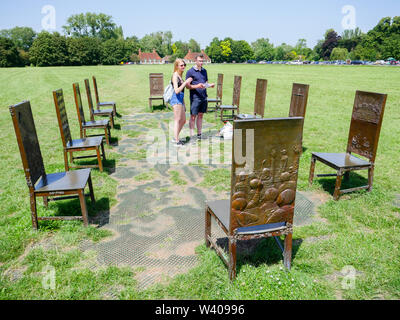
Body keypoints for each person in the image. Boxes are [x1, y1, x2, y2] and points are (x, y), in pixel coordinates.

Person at [186, 54, 215, 140]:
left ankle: (199, 134)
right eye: (200, 61)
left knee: (201, 115)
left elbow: (205, 83)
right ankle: (191, 135)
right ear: (195, 61)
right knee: (193, 116)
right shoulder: (190, 72)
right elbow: (187, 86)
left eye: (202, 61)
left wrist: (210, 85)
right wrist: (197, 86)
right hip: (195, 97)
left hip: (204, 96)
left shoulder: (204, 71)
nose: (201, 62)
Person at [170, 59, 193, 147]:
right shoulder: (175, 75)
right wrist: (186, 82)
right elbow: (176, 90)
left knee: (183, 120)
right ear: (176, 66)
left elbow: (183, 91)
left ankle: (175, 137)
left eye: (184, 65)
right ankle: (176, 141)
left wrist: (184, 104)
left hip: (180, 99)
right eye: (181, 65)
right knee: (177, 120)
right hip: (176, 98)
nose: (183, 67)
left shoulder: (180, 75)